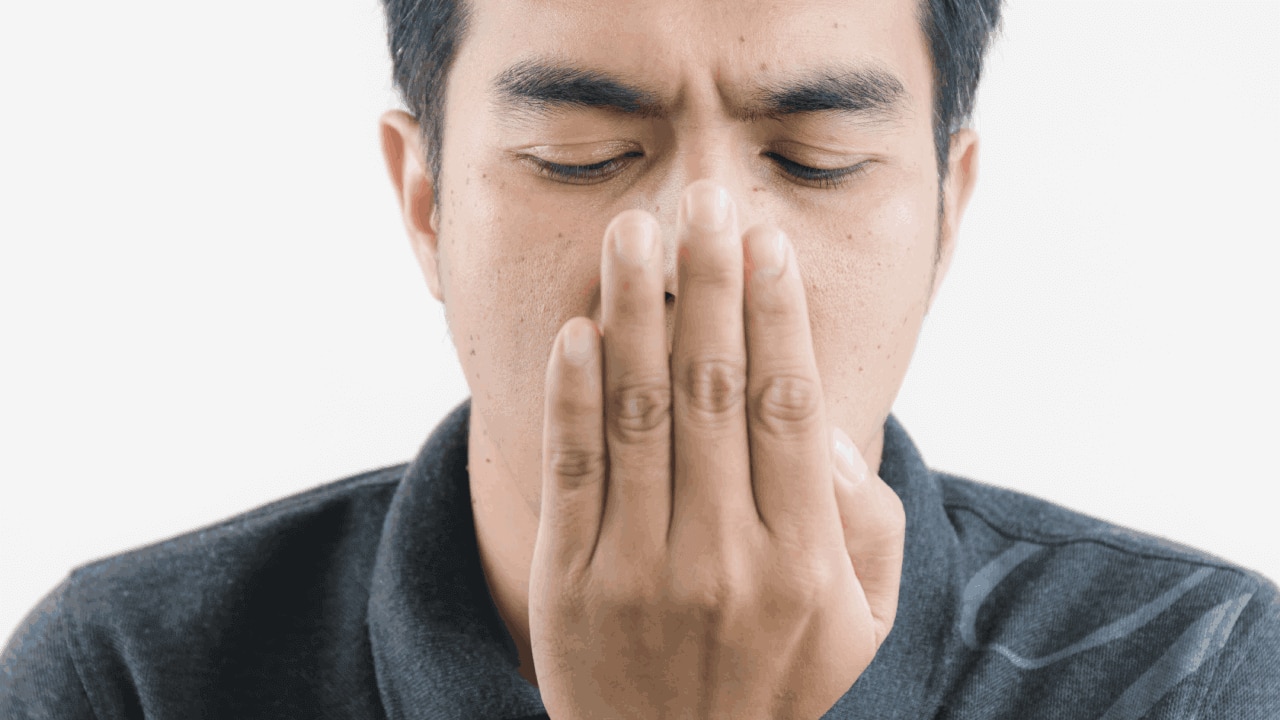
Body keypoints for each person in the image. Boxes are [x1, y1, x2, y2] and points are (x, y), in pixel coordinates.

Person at [3, 0, 1278, 717]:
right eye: (579, 152)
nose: (696, 251)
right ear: (427, 205)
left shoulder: (1190, 673)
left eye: (813, 160)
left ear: (946, 215)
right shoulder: (128, 679)